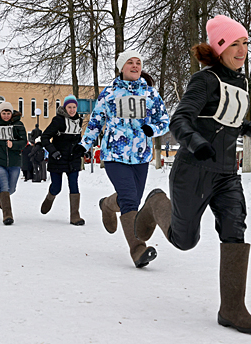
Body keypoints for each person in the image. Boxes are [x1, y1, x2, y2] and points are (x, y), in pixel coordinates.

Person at [133, 16, 251, 334]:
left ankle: (232, 308)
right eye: (234, 43)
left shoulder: (241, 82)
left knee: (235, 226)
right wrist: (197, 142)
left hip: (225, 173)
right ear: (219, 48)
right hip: (192, 170)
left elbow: (234, 122)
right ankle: (155, 204)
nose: (242, 49)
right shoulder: (203, 81)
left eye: (245, 43)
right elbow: (180, 120)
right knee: (184, 240)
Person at [73, 51, 170, 267]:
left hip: (140, 156)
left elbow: (164, 121)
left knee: (133, 200)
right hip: (114, 155)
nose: (135, 66)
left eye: (138, 63)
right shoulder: (109, 93)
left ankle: (108, 204)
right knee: (129, 199)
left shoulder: (150, 93)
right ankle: (138, 250)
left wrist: (151, 128)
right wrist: (84, 145)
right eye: (130, 63)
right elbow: (96, 122)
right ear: (121, 68)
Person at [40, 95, 85, 226]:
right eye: (69, 107)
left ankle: (75, 216)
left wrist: (82, 148)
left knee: (74, 185)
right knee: (57, 187)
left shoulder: (79, 121)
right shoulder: (58, 121)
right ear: (65, 107)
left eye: (74, 107)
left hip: (73, 159)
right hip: (58, 158)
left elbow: (78, 139)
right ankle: (50, 196)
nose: (72, 110)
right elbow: (45, 137)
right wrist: (53, 151)